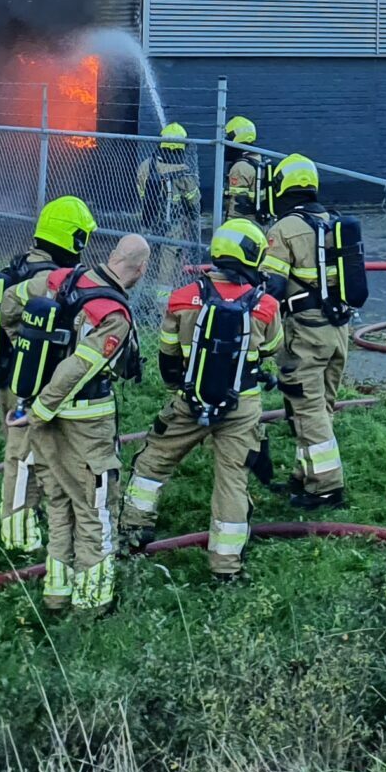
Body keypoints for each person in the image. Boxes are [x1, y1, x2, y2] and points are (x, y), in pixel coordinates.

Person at [121, 218, 285, 580]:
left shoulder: (181, 299)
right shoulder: (267, 305)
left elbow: (167, 355)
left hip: (189, 402)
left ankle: (133, 533)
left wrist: (180, 392)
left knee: (151, 464)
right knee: (231, 482)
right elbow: (273, 348)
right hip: (241, 406)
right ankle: (226, 567)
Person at [12, 233, 151, 619]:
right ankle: (92, 606)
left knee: (58, 506)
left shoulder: (65, 279)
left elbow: (10, 301)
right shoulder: (113, 315)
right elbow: (80, 366)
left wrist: (16, 366)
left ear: (112, 256)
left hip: (44, 420)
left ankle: (56, 596)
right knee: (95, 510)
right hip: (85, 423)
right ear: (140, 270)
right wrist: (42, 408)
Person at [0, 194, 97, 556]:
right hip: (32, 386)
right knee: (23, 459)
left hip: (6, 379)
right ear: (73, 239)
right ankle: (18, 538)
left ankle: (37, 525)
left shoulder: (17, 267)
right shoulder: (50, 282)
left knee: (23, 454)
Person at [260, 153, 351, 508]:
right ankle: (306, 475)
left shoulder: (283, 230)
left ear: (282, 187)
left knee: (307, 405)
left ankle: (327, 486)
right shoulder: (334, 222)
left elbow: (273, 288)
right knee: (319, 404)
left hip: (306, 331)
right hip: (337, 329)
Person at [136, 121, 202, 288]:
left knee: (145, 263)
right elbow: (194, 200)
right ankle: (161, 307)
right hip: (173, 227)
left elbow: (141, 193)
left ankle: (142, 299)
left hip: (148, 223)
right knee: (167, 269)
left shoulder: (146, 165)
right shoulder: (184, 171)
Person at [222, 115, 269, 222]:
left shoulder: (240, 167)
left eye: (228, 138)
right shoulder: (260, 158)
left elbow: (237, 205)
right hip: (259, 220)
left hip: (242, 222)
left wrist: (229, 223)